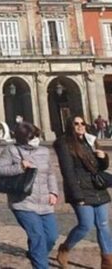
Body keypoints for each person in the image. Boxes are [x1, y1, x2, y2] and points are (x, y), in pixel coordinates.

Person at [0, 121, 59, 269]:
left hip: (44, 201)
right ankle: (41, 264)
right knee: (37, 236)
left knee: (51, 237)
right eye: (32, 137)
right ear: (22, 138)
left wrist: (53, 192)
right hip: (22, 202)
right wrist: (20, 166)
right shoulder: (11, 150)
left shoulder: (44, 151)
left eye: (37, 135)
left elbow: (50, 173)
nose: (35, 139)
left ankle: (35, 253)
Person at [54, 115, 112, 269]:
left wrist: (103, 157)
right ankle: (65, 247)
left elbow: (100, 168)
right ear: (70, 125)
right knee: (85, 225)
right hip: (80, 190)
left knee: (104, 225)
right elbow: (68, 172)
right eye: (76, 123)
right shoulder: (64, 144)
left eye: (83, 123)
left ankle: (107, 262)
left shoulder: (90, 141)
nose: (80, 126)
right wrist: (77, 195)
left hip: (97, 188)